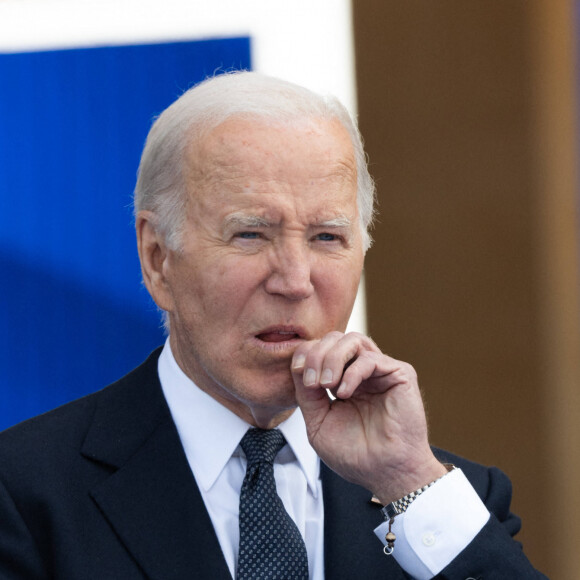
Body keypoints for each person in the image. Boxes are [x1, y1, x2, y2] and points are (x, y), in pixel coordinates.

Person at [0, 71, 546, 580]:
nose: (294, 280)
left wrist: (406, 481)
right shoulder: (23, 493)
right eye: (250, 235)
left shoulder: (448, 498)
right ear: (157, 258)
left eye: (326, 237)